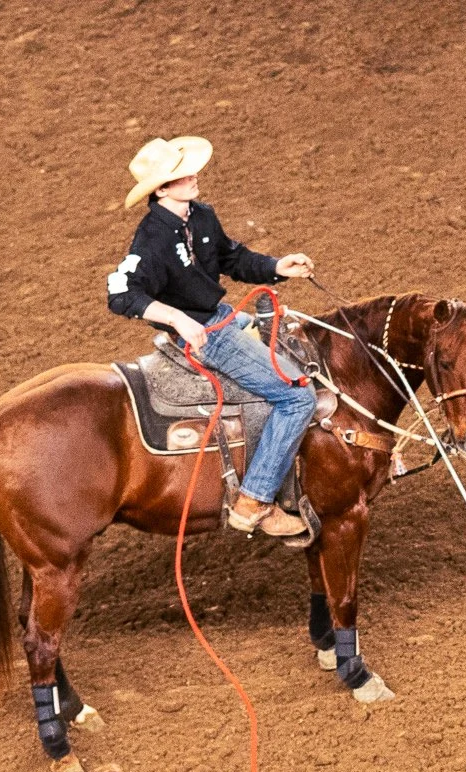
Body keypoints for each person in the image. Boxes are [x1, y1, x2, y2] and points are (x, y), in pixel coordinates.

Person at [106, 136, 317, 538]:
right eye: (181, 175)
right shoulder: (152, 238)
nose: (193, 176)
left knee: (293, 339)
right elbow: (120, 293)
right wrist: (177, 319)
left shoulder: (201, 215)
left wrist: (277, 266)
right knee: (297, 397)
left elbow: (231, 258)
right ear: (161, 190)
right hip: (205, 336)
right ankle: (254, 500)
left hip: (220, 318)